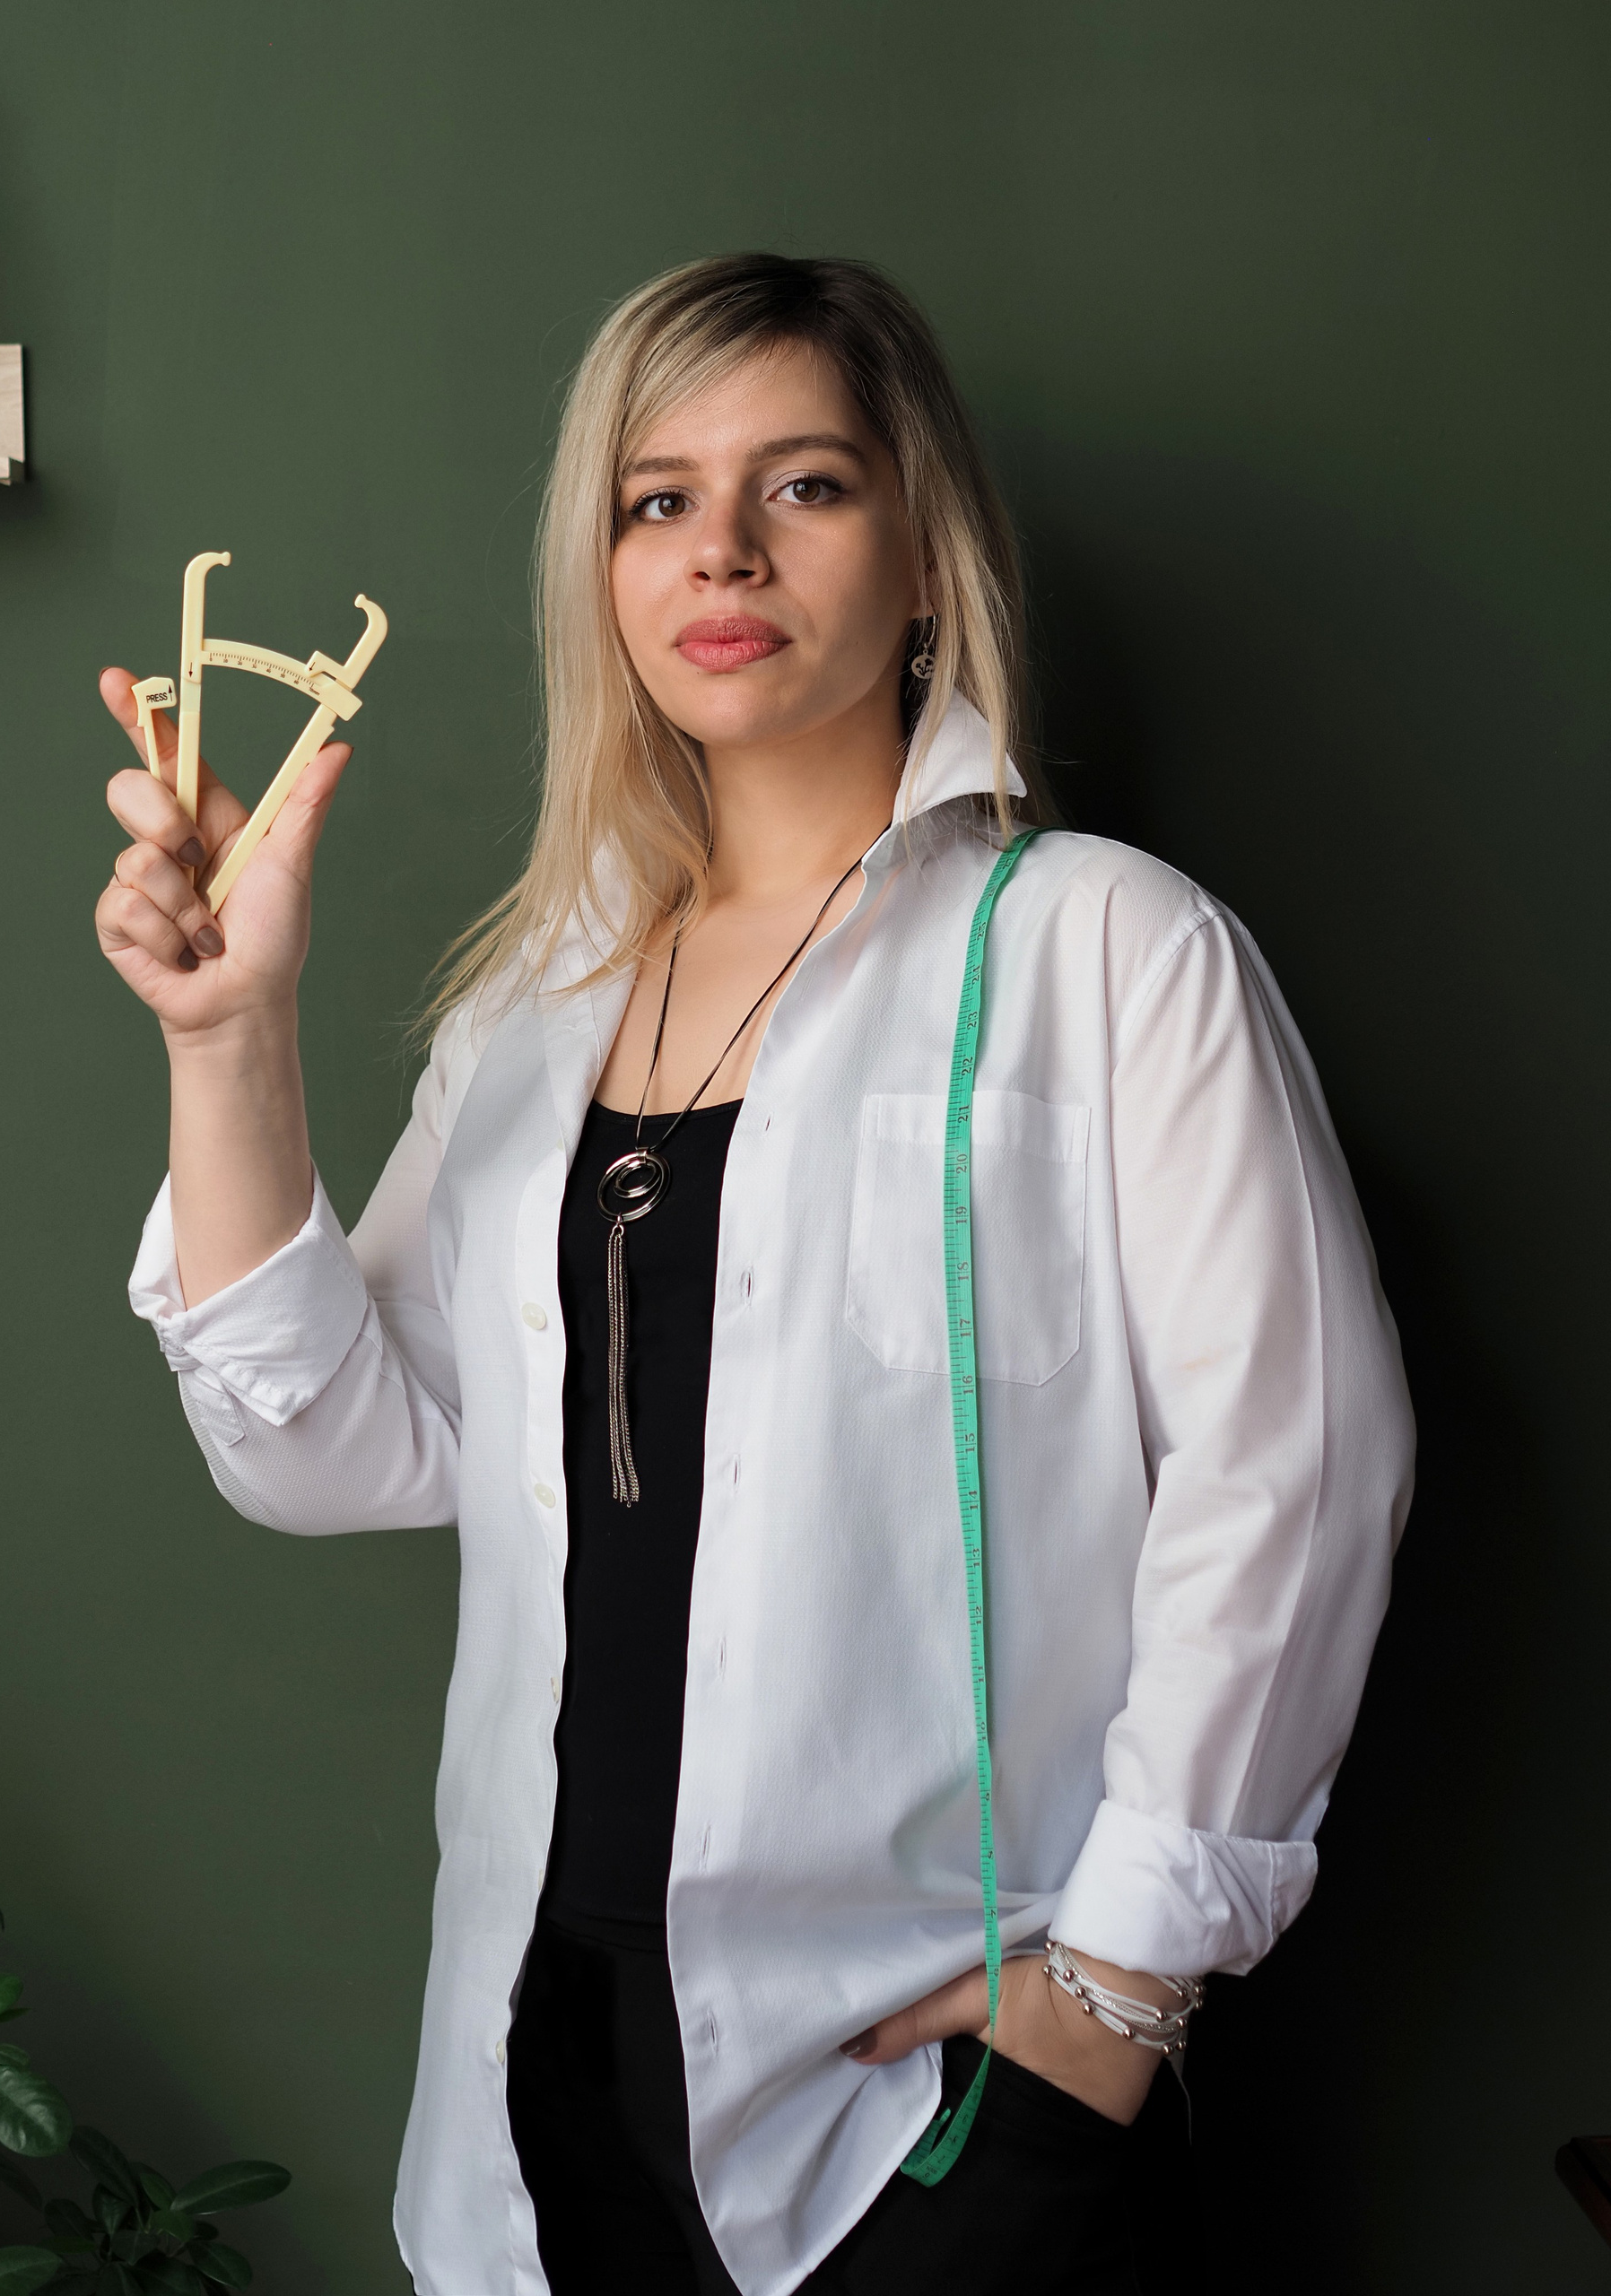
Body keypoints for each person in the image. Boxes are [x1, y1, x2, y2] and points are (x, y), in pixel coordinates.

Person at [95, 253, 1415, 2296]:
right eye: (657, 499)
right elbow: (336, 1449)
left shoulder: (1107, 950)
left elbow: (1298, 1474)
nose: (720, 548)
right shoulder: (534, 1007)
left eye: (803, 484)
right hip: (535, 2069)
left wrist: (1119, 1989)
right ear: (605, 573)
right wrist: (226, 1038)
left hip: (937, 2093)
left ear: (923, 551)